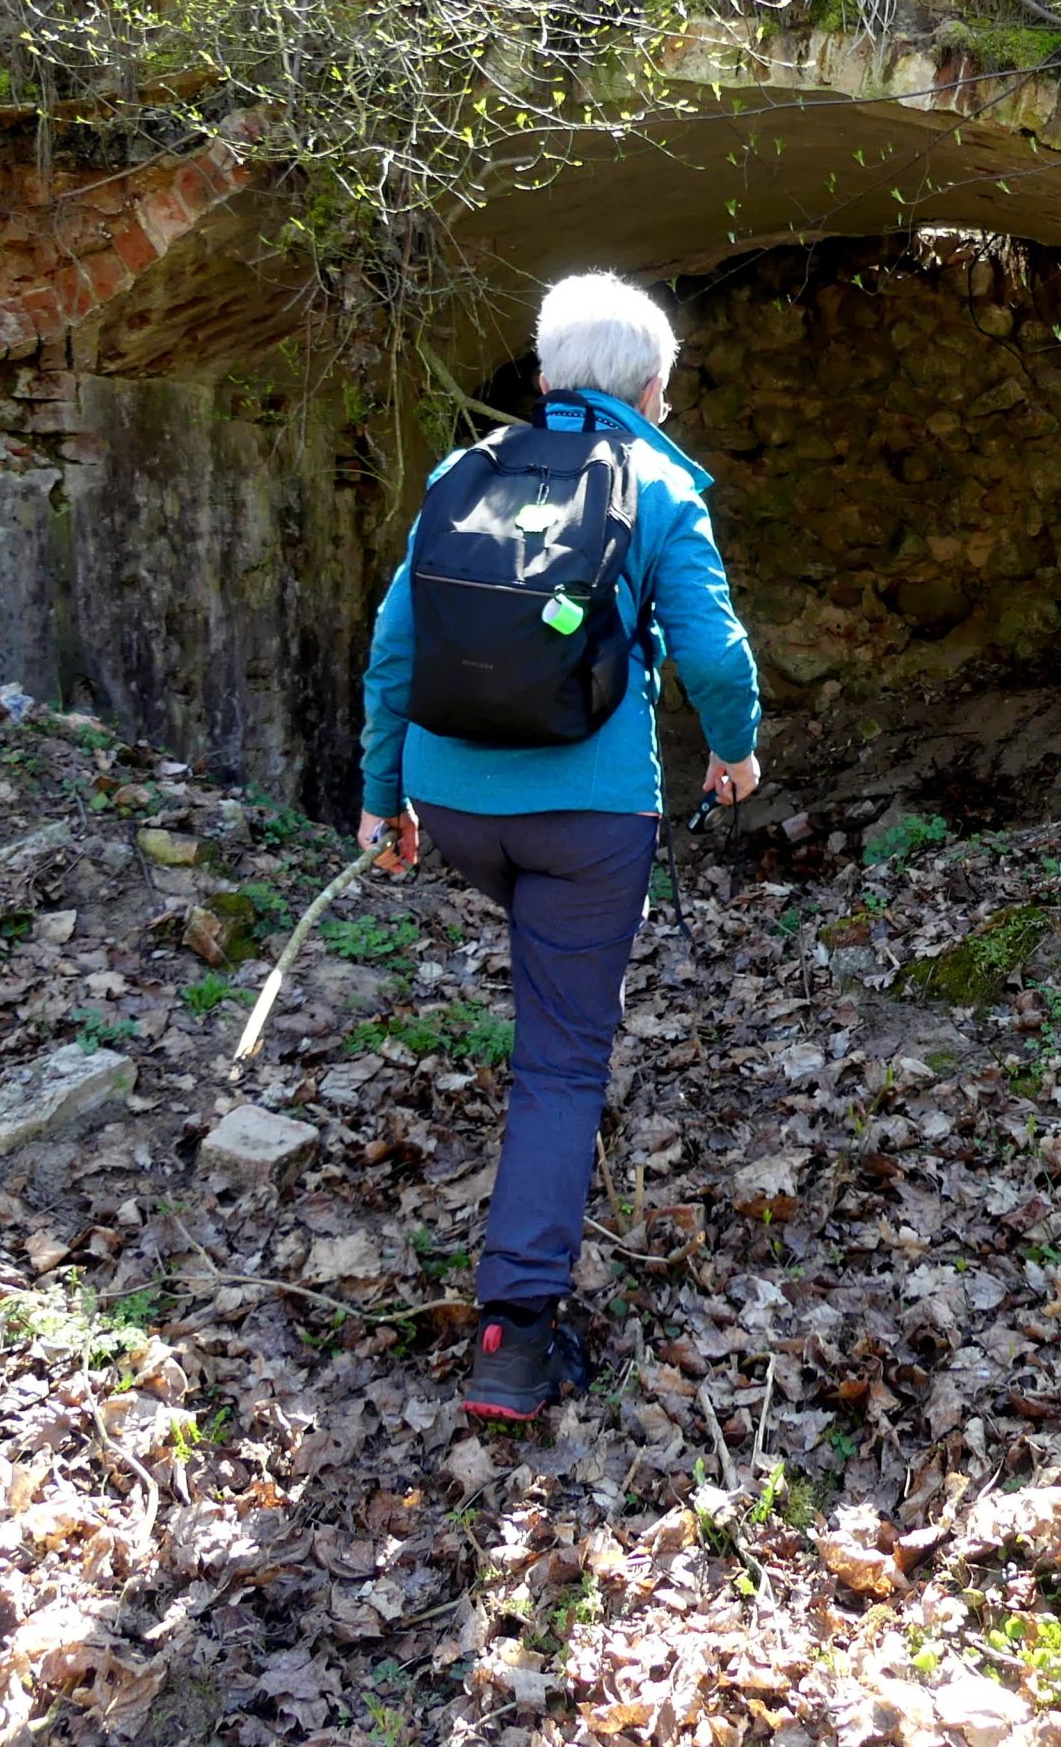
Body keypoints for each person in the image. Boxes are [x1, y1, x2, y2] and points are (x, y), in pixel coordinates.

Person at [357, 271, 761, 1422]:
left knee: (542, 979)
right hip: (586, 820)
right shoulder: (660, 484)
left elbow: (394, 652)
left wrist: (384, 799)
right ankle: (514, 1334)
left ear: (541, 381)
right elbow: (717, 658)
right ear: (652, 387)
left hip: (455, 806)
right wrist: (734, 754)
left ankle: (519, 1269)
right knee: (561, 1060)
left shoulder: (457, 476)